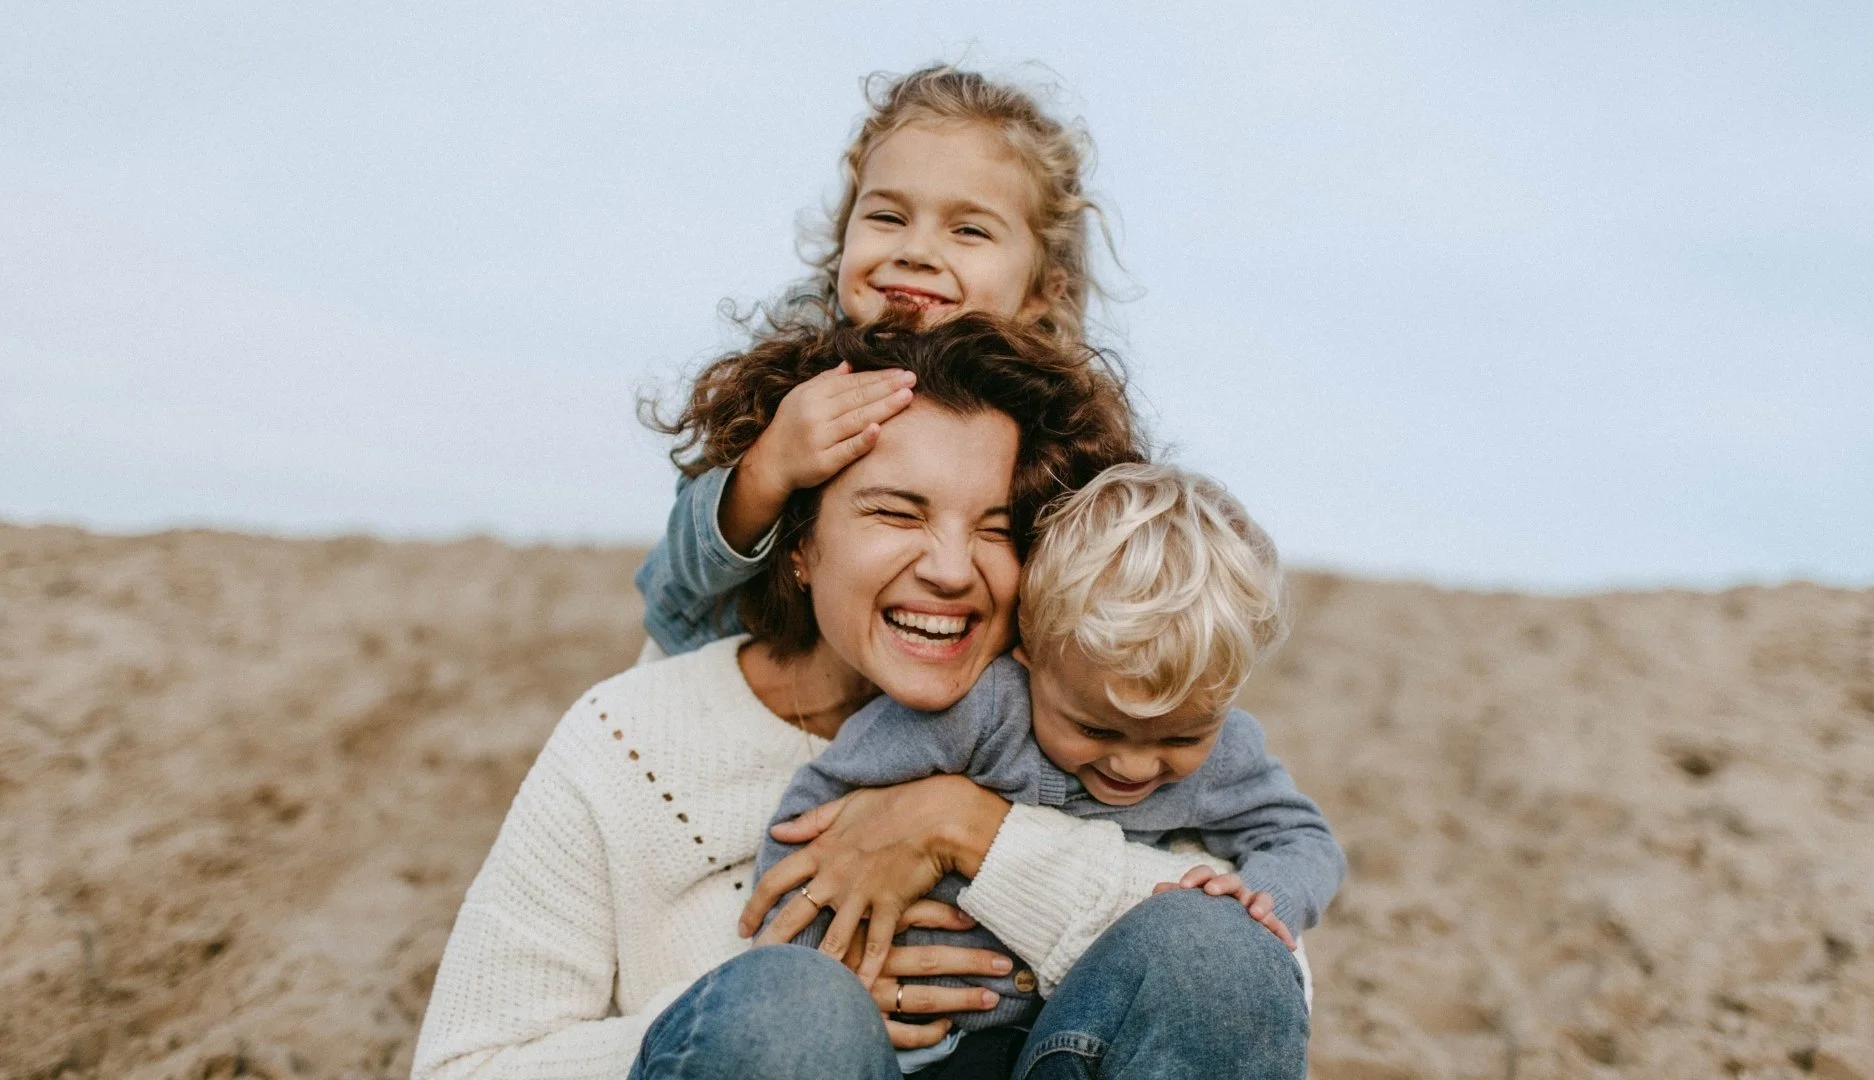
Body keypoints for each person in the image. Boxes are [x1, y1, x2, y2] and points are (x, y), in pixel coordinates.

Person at [412, 316, 1312, 1080]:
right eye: (896, 512)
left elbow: (1261, 983)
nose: (953, 570)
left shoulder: (1104, 722)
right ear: (801, 543)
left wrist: (973, 831)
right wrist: (755, 1009)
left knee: (1214, 955)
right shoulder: (629, 738)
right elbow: (469, 1065)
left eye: (997, 529)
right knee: (792, 1011)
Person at [755, 463, 1344, 1060]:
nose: (1135, 767)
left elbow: (1305, 839)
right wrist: (819, 969)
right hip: (905, 1043)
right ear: (1030, 646)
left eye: (1180, 739)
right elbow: (820, 815)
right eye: (1094, 728)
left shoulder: (1226, 754)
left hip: (1068, 1035)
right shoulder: (978, 711)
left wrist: (1263, 897)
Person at [636, 65, 1113, 656]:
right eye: (887, 217)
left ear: (1044, 291)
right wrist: (771, 464)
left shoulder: (1051, 421)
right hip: (732, 670)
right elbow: (677, 574)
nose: (915, 251)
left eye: (968, 230)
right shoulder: (795, 365)